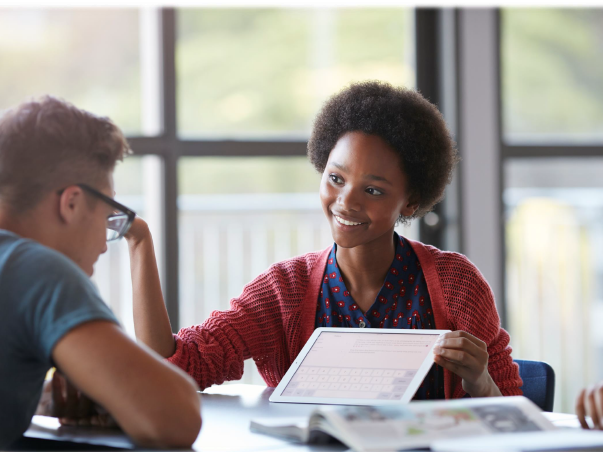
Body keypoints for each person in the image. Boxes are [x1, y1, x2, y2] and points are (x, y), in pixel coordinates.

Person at [128, 81, 523, 399]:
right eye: (336, 179)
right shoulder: (285, 291)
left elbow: (513, 418)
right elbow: (174, 366)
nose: (345, 202)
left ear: (412, 200)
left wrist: (478, 380)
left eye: (373, 191)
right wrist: (140, 244)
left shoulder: (455, 283)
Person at [0, 96, 201, 449]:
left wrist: (34, 395)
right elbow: (177, 417)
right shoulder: (33, 268)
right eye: (108, 217)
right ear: (72, 203)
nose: (104, 244)